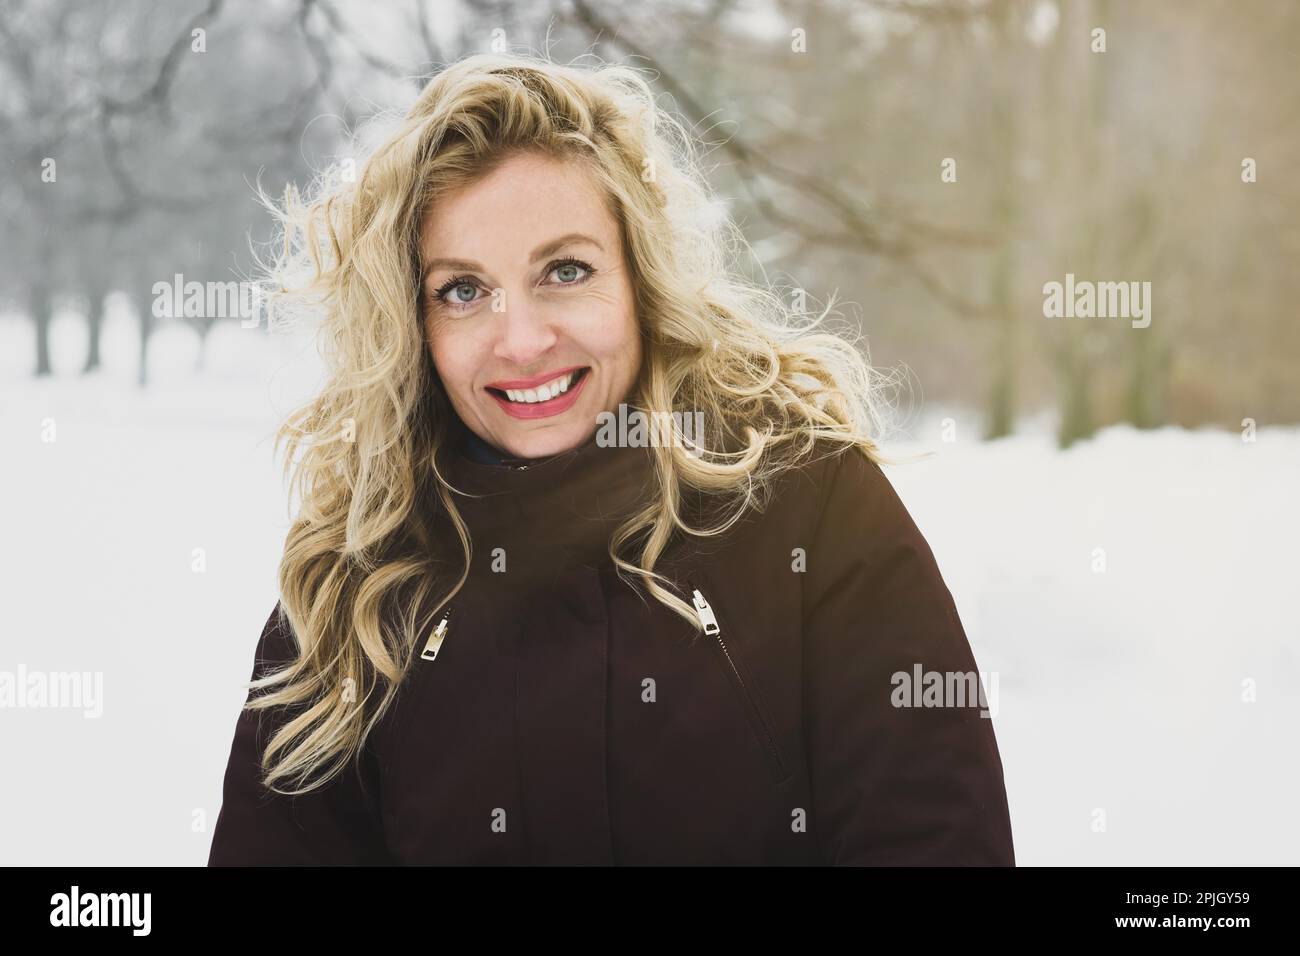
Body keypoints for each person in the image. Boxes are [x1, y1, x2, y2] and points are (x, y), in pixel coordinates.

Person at [207, 52, 1014, 865]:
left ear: (639, 277)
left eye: (565, 271)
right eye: (462, 290)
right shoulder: (353, 591)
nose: (521, 340)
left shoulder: (814, 507)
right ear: (413, 325)